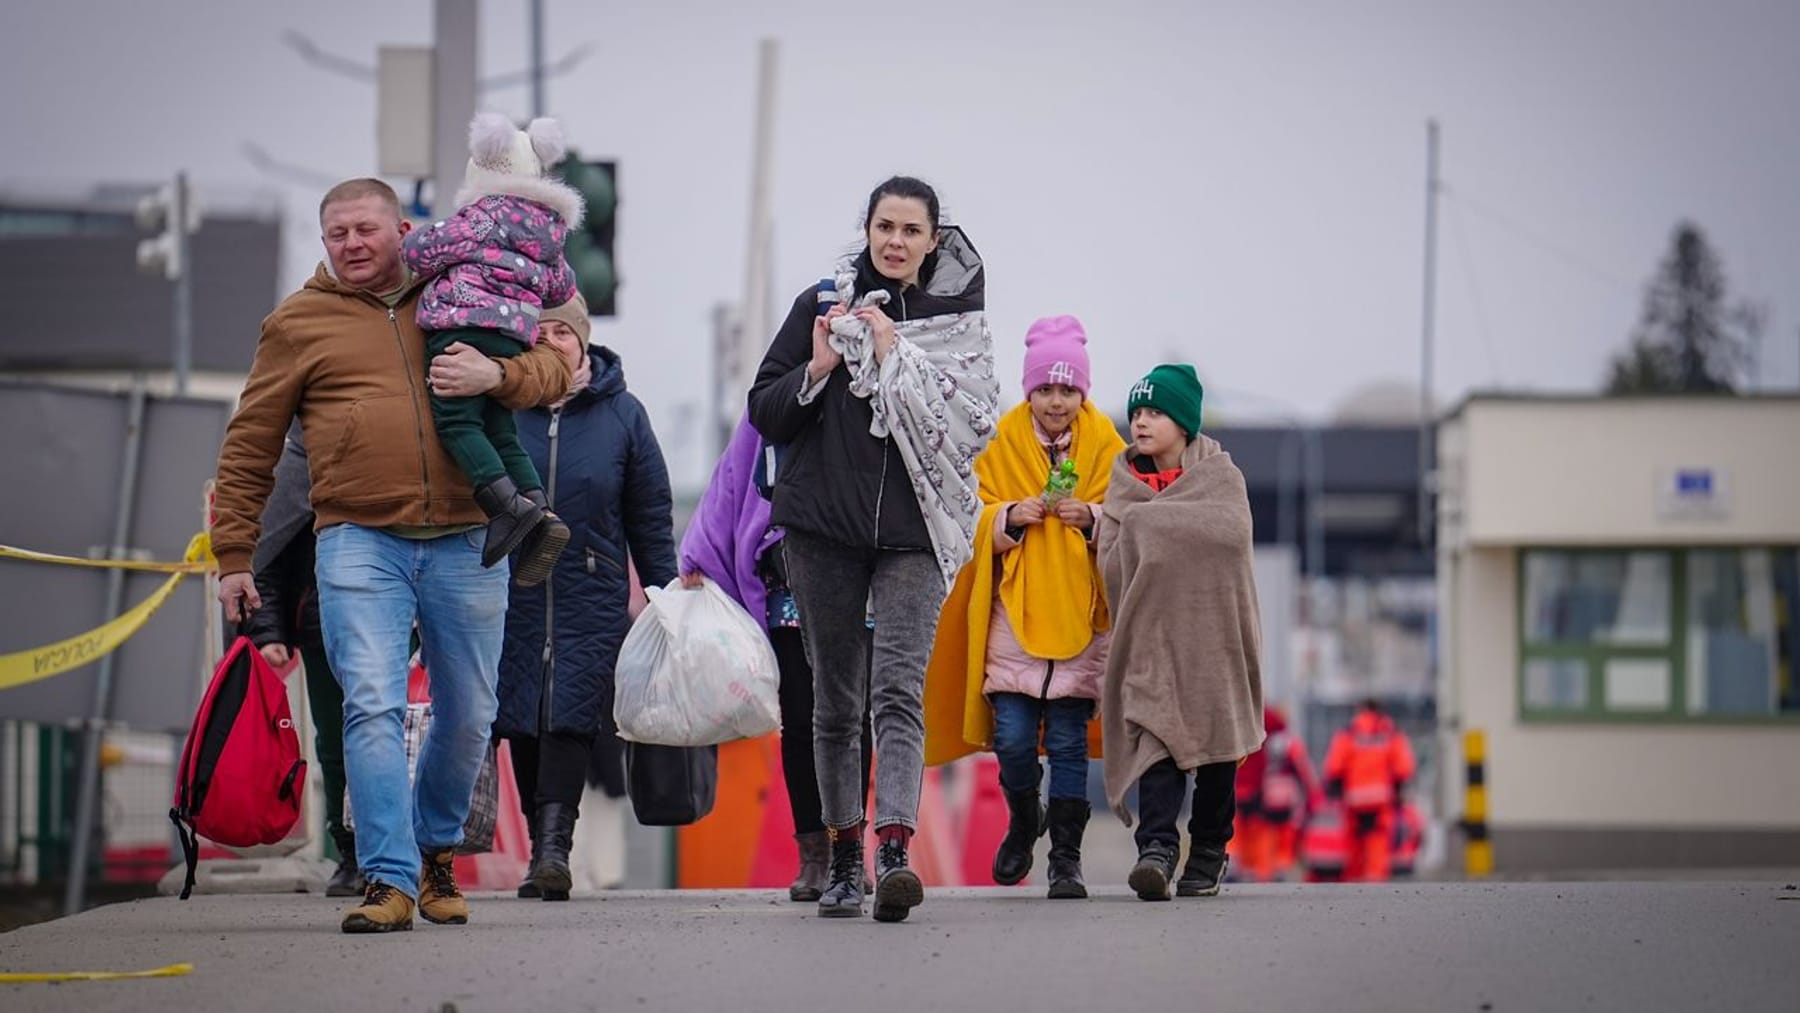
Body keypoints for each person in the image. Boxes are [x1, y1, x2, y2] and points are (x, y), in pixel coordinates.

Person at [212, 177, 573, 933]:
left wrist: (495, 375)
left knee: (470, 714)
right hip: (356, 538)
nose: (352, 244)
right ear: (324, 243)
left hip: (471, 537)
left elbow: (555, 370)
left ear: (401, 227)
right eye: (337, 233)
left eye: (365, 229)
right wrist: (234, 554)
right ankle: (388, 875)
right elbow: (251, 441)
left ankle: (436, 848)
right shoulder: (296, 323)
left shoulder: (457, 286)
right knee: (369, 702)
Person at [748, 175, 999, 922]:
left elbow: (977, 418)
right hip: (823, 528)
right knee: (835, 702)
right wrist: (824, 365)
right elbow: (765, 410)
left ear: (932, 240)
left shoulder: (961, 323)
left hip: (917, 534)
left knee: (897, 692)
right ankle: (843, 859)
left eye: (911, 230)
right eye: (884, 226)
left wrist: (898, 352)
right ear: (866, 229)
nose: (895, 241)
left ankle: (894, 851)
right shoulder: (820, 307)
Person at [438, 292, 677, 900]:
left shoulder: (624, 414)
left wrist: (663, 594)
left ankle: (553, 850)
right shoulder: (497, 407)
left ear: (582, 339)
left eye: (561, 333)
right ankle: (537, 839)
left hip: (589, 588)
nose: (549, 341)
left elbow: (649, 512)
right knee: (520, 714)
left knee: (570, 715)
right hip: (507, 580)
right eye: (536, 332)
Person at [922, 315, 1122, 899]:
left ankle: (1065, 858)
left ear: (1081, 392)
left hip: (1080, 623)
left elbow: (1130, 518)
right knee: (1010, 738)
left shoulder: (1105, 443)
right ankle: (1021, 817)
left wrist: (1096, 520)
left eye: (1067, 390)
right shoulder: (1001, 439)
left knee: (1065, 744)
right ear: (1029, 389)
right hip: (1012, 619)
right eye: (1044, 389)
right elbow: (969, 510)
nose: (1055, 401)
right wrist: (1008, 517)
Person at [678, 413, 875, 902]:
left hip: (856, 578)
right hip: (788, 585)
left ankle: (848, 845)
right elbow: (733, 476)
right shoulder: (778, 397)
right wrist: (699, 554)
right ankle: (814, 852)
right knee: (802, 719)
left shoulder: (871, 391)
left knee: (853, 718)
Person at [1097, 364, 1265, 901]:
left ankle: (1210, 851)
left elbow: (1231, 539)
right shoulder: (1123, 482)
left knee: (1217, 754)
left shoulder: (1222, 477)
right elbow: (1111, 560)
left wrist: (1150, 528)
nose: (1141, 423)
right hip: (1150, 642)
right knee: (1155, 744)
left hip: (1213, 644)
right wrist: (1149, 532)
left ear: (1185, 423)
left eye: (1155, 413)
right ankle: (1157, 850)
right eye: (1137, 413)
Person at [400, 111, 583, 585]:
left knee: (457, 420)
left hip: (461, 322)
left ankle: (503, 506)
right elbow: (562, 290)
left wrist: (411, 238)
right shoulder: (549, 233)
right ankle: (540, 511)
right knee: (500, 428)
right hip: (512, 337)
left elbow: (423, 251)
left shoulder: (480, 218)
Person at [241, 421, 360, 897]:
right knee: (336, 743)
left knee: (390, 734)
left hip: (398, 626)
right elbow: (267, 554)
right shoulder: (294, 461)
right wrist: (269, 631)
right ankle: (349, 852)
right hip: (320, 626)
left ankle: (396, 851)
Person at [1322, 698, 1417, 882]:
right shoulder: (1390, 733)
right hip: (1381, 799)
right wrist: (1397, 787)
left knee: (1355, 841)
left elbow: (1334, 766)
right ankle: (1375, 881)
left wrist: (1335, 787)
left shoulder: (1349, 733)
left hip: (1354, 799)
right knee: (1377, 841)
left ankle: (1354, 882)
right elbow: (1404, 768)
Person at [1229, 704, 1318, 882]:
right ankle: (1266, 873)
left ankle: (1243, 871)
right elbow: (1302, 771)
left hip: (1237, 789)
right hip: (1265, 793)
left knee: (1240, 835)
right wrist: (1312, 800)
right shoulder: (1277, 730)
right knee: (1265, 836)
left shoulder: (1237, 718)